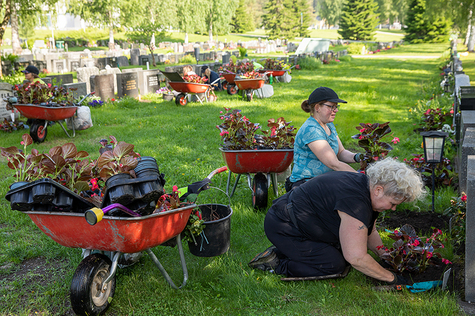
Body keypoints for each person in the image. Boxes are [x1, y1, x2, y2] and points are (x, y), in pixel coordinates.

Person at [248, 158, 425, 285]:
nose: (393, 208)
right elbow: (356, 257)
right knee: (334, 264)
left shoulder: (366, 189)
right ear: (379, 189)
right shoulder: (356, 202)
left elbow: (369, 231)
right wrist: (391, 278)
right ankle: (276, 263)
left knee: (343, 253)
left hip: (300, 222)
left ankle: (285, 251)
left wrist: (385, 256)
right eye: (393, 203)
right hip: (283, 226)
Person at [285, 86, 362, 192]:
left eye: (336, 106)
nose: (336, 110)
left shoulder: (328, 125)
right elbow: (334, 164)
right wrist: (362, 179)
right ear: (317, 107)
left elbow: (341, 152)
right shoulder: (311, 129)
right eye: (331, 107)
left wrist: (359, 157)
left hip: (323, 181)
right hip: (305, 185)